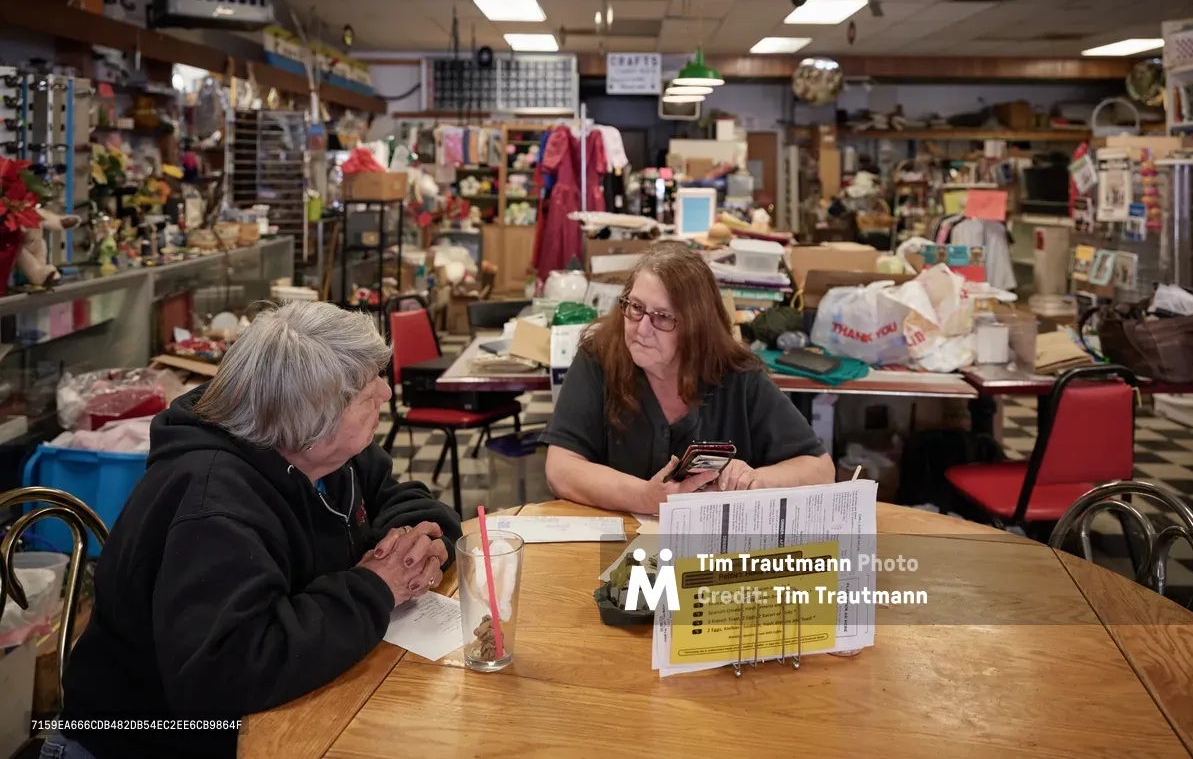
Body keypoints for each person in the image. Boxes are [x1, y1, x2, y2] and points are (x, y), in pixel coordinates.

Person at [46, 302, 461, 759]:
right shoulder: (213, 504)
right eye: (367, 389)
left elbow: (396, 494)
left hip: (286, 714)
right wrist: (375, 587)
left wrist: (418, 540)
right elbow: (225, 672)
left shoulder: (329, 454)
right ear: (314, 420)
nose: (385, 392)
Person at [543, 242, 833, 514]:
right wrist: (645, 496)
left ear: (696, 328)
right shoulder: (599, 358)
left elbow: (820, 469)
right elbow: (560, 468)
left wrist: (754, 480)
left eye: (663, 317)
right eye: (636, 308)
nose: (642, 329)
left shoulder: (737, 375)